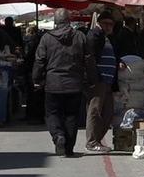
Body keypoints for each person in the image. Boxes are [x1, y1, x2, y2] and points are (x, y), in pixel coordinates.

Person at [33, 9, 96, 157]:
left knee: (52, 113)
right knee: (71, 116)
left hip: (53, 83)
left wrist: (36, 79)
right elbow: (89, 60)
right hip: (74, 83)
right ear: (69, 20)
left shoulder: (47, 38)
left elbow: (39, 60)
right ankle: (68, 149)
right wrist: (92, 80)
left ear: (55, 21)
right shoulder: (80, 36)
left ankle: (58, 135)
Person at [85, 11, 118, 152]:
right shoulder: (94, 35)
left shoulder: (106, 37)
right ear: (99, 23)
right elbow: (89, 57)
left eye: (111, 24)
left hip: (108, 80)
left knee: (108, 112)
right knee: (95, 110)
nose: (109, 26)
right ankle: (92, 142)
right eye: (106, 23)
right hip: (99, 80)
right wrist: (94, 77)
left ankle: (97, 140)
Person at [23, 25, 45, 124]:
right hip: (37, 69)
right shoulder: (41, 40)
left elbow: (28, 56)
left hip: (31, 69)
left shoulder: (31, 41)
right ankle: (37, 115)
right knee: (37, 94)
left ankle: (32, 116)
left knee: (32, 93)